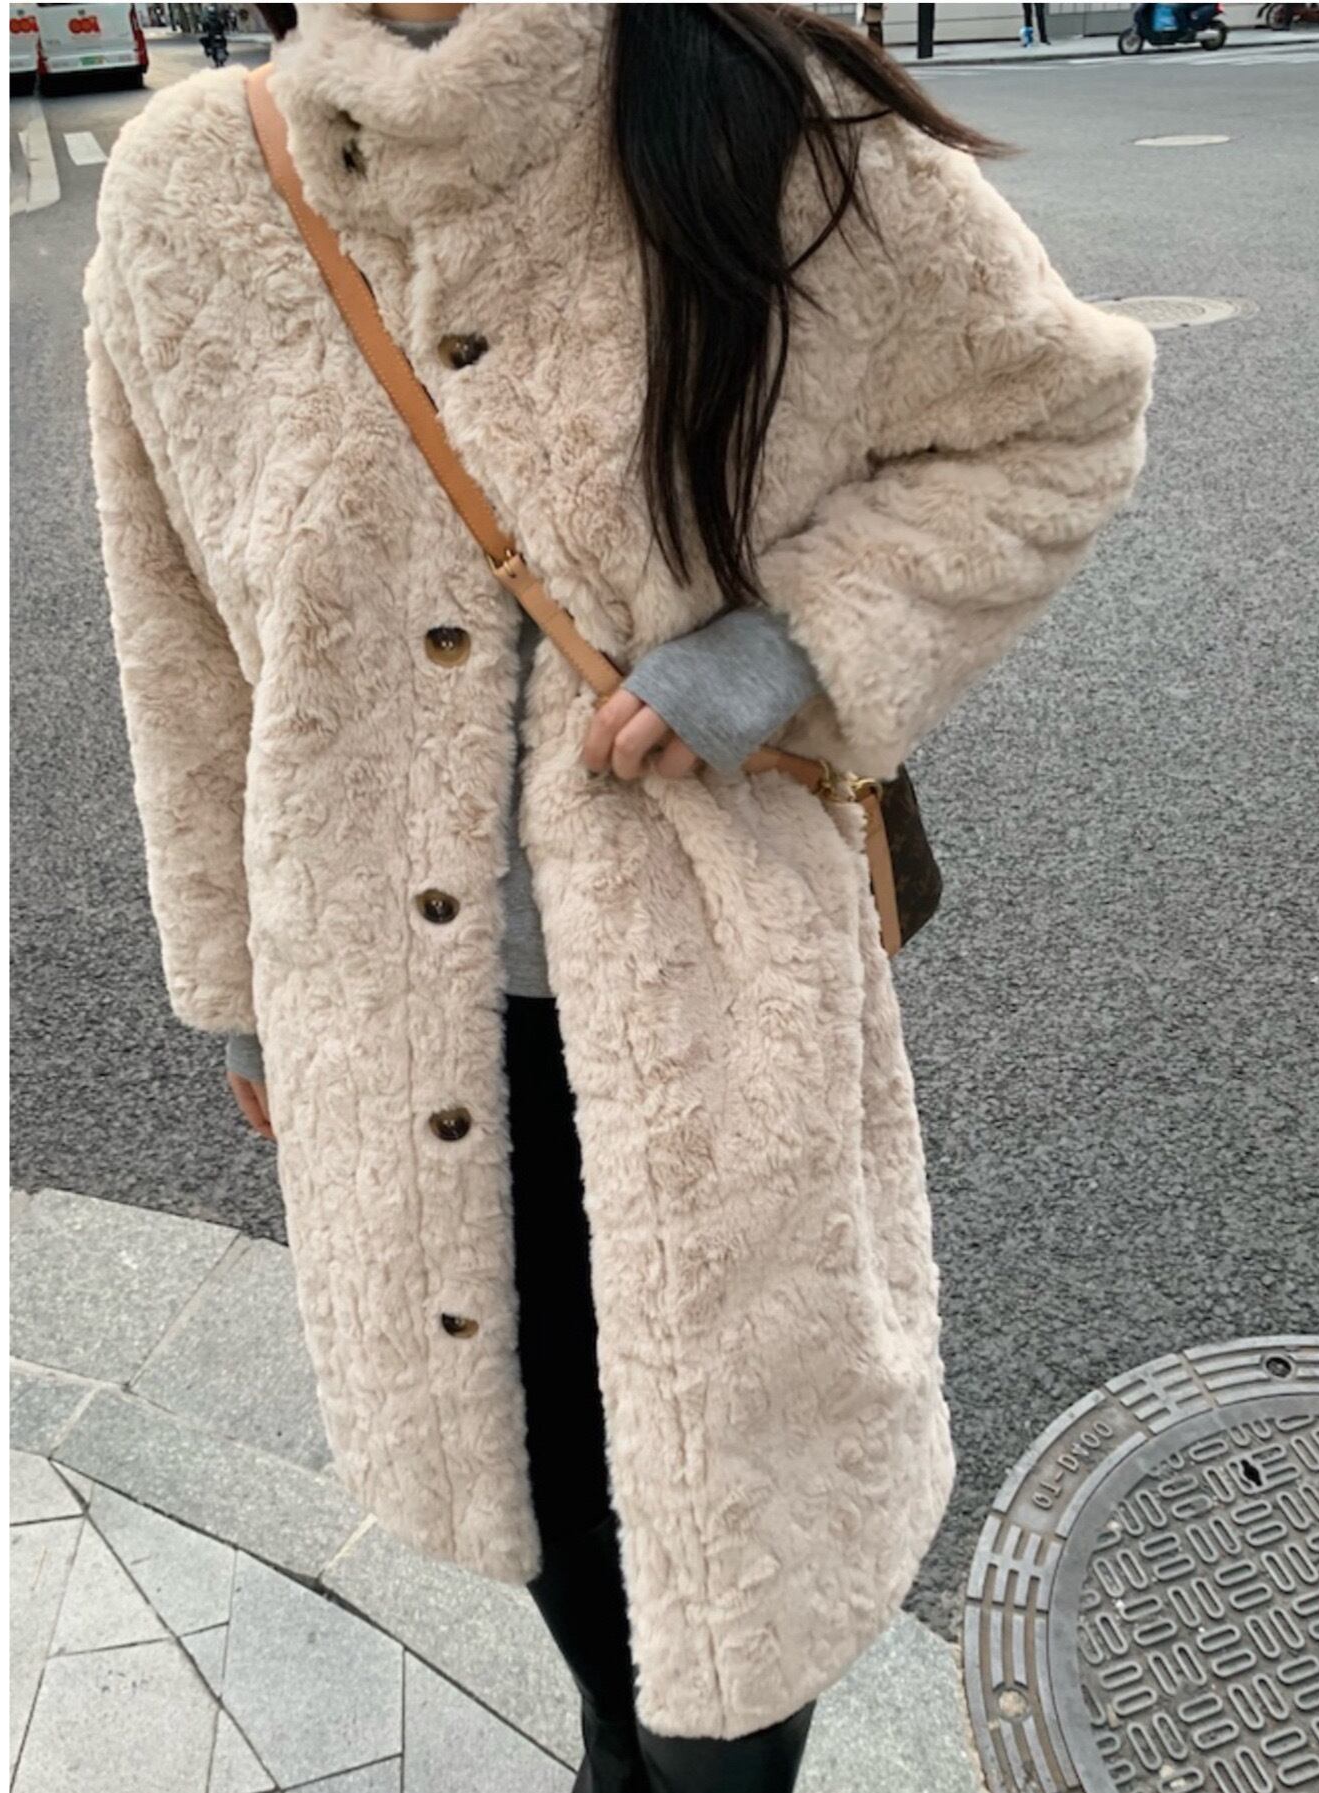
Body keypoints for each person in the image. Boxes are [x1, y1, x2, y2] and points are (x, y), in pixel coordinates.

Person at [82, 4, 1154, 1789]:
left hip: (712, 1004)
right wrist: (242, 997)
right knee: (549, 1513)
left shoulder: (747, 110)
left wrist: (783, 648)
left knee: (738, 1576)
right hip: (383, 1021)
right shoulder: (191, 188)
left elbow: (1055, 414)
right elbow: (178, 639)